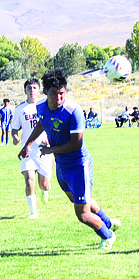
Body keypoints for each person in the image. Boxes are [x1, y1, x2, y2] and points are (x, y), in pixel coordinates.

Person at [19, 68, 121, 250]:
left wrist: (50, 149)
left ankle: (107, 235)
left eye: (61, 94)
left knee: (82, 214)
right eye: (54, 94)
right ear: (45, 93)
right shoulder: (41, 107)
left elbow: (76, 144)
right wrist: (28, 143)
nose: (58, 98)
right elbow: (43, 121)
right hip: (61, 165)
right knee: (79, 199)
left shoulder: (73, 111)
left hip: (78, 165)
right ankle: (108, 223)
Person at [11, 78, 54, 219]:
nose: (32, 91)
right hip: (27, 150)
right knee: (29, 179)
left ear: (39, 90)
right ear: (25, 91)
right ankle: (33, 212)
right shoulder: (20, 109)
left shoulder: (46, 106)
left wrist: (50, 137)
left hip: (44, 149)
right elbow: (14, 129)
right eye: (29, 88)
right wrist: (15, 137)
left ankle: (44, 190)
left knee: (44, 184)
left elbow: (54, 124)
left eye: (35, 88)